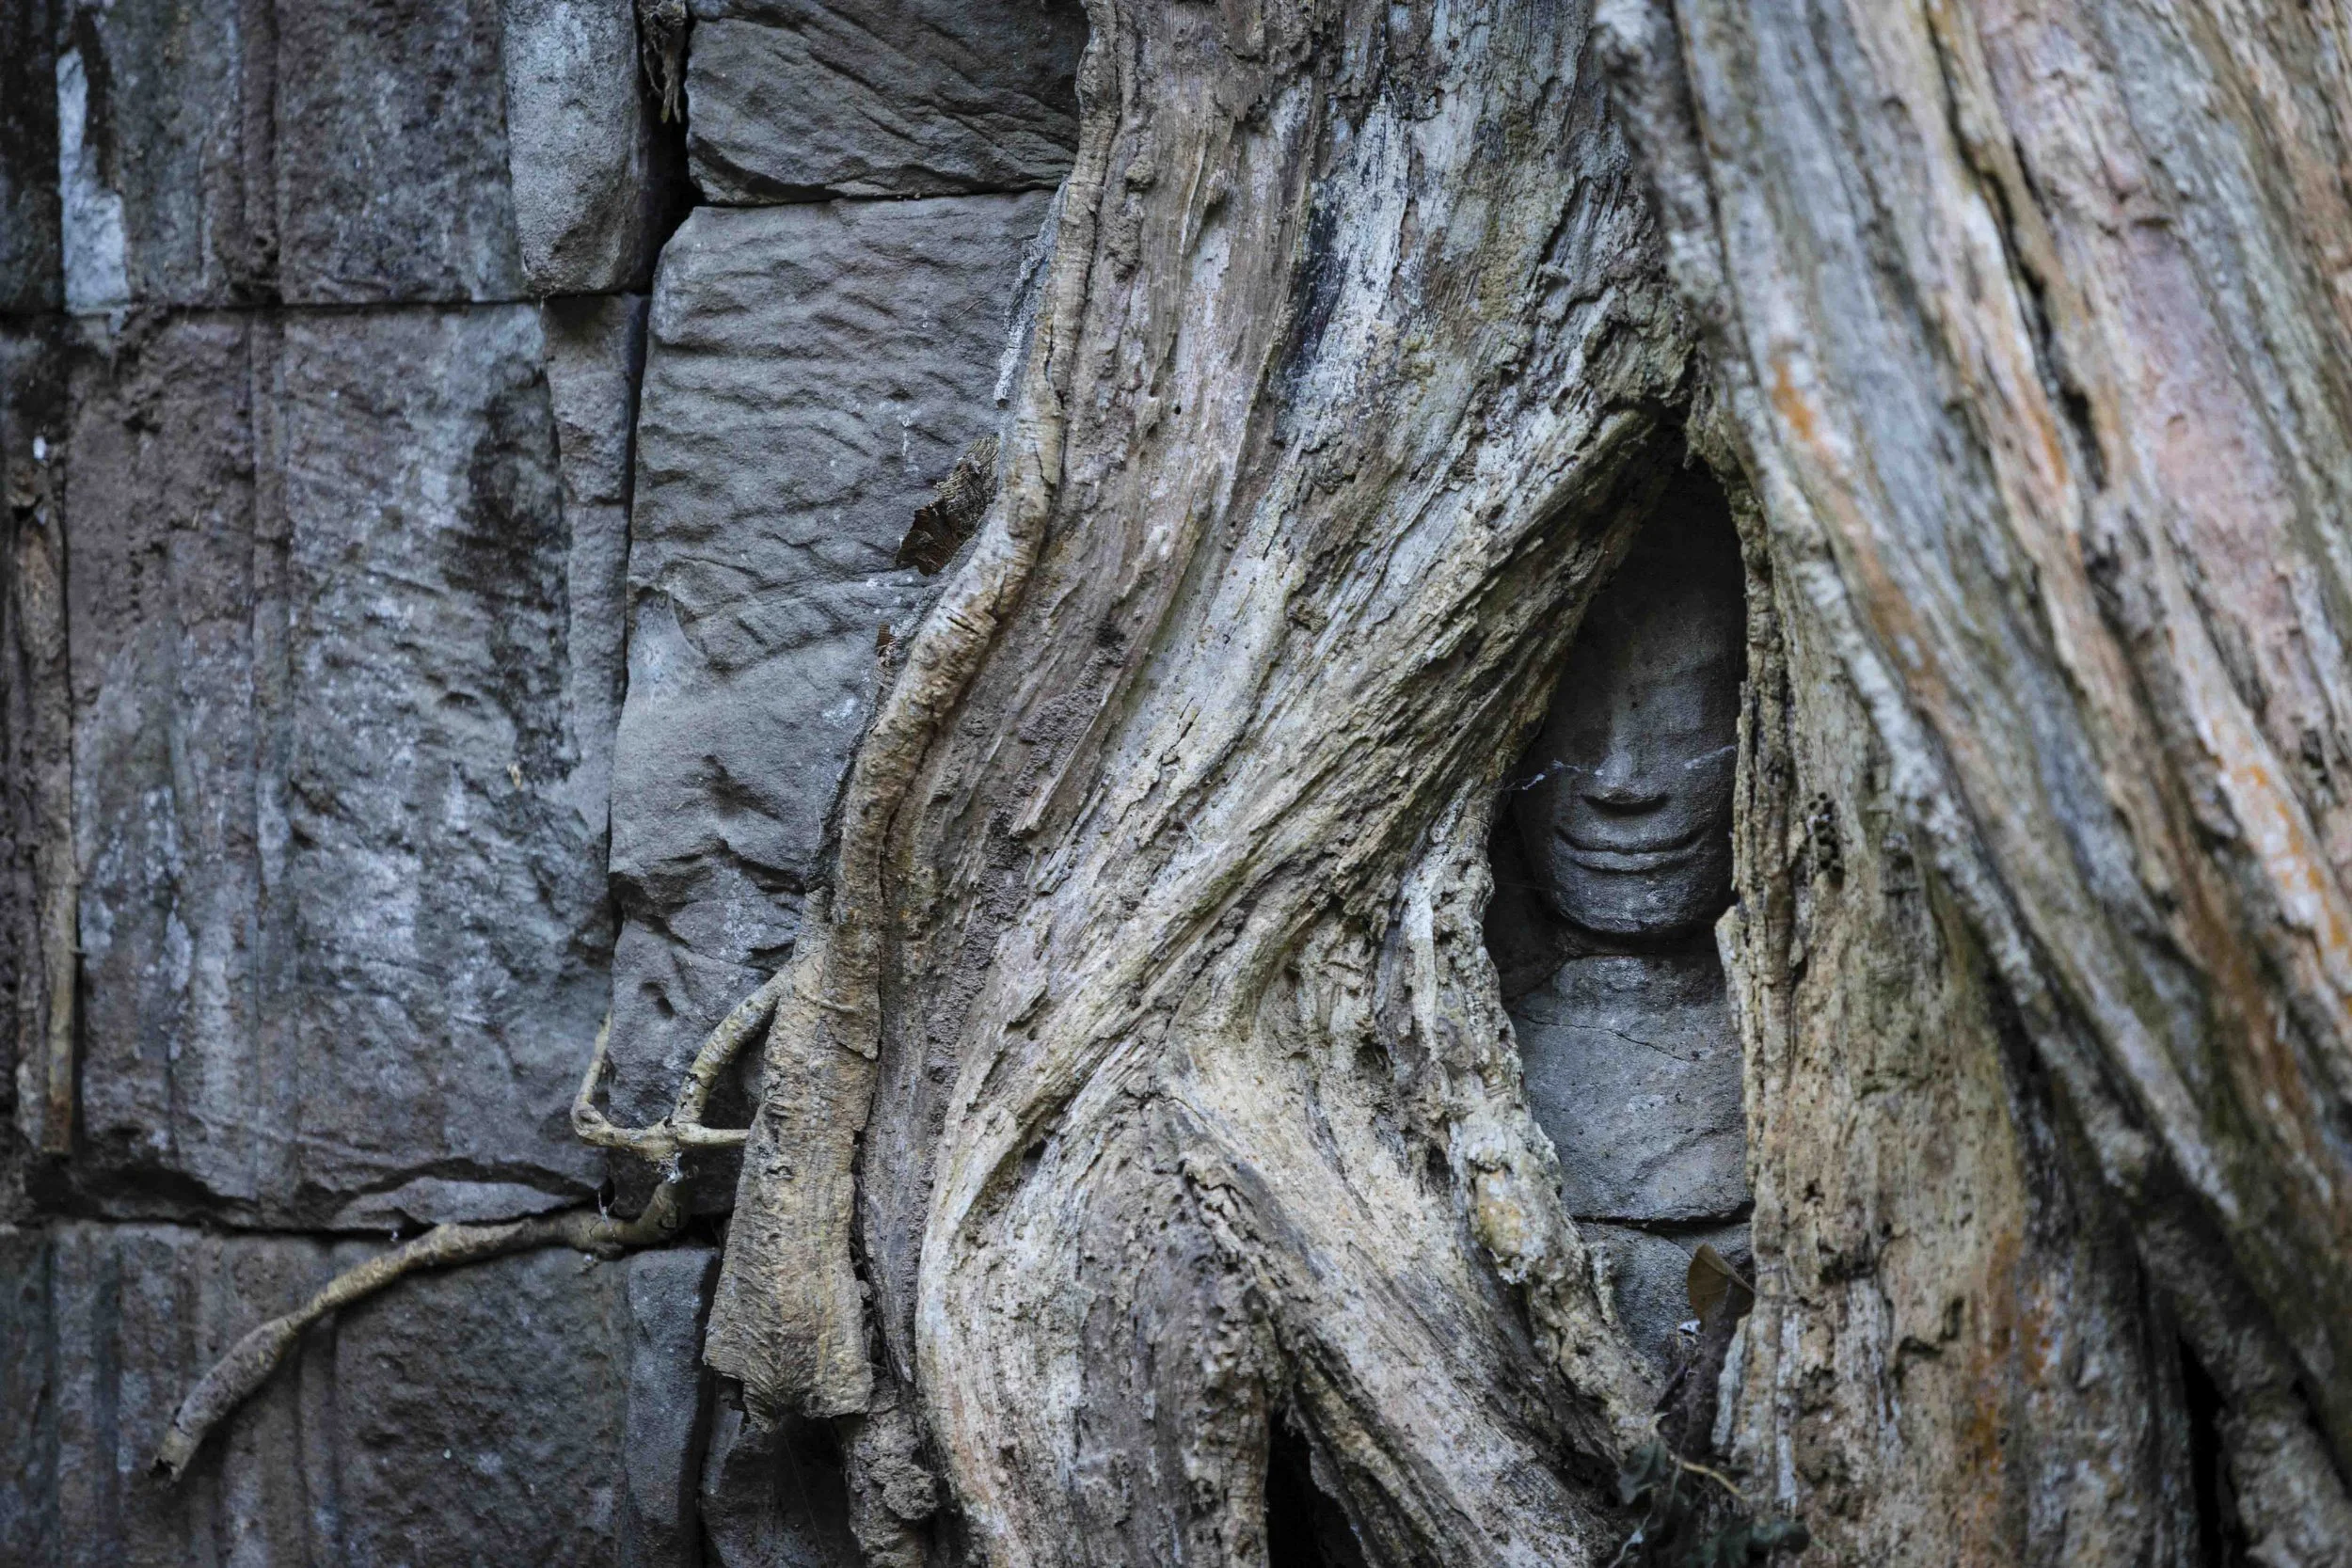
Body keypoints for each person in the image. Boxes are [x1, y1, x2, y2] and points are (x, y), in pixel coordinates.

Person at [1502, 488, 1751, 1374]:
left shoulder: (1813, 1054)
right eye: (1576, 716)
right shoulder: (1453, 1048)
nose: (1619, 778)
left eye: (1682, 709)